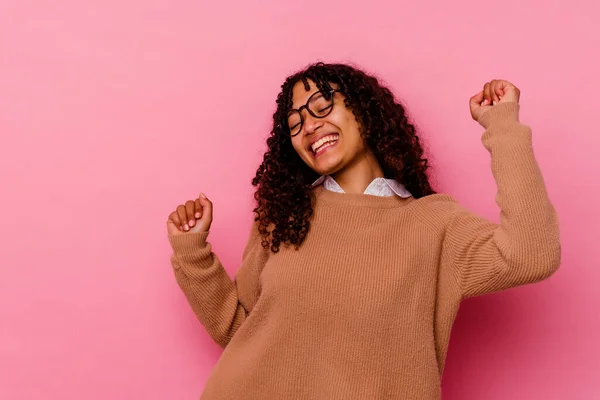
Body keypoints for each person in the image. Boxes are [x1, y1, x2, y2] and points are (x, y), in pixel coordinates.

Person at [165, 62, 561, 399]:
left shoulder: (434, 224)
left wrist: (503, 128)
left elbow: (531, 254)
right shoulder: (283, 217)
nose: (309, 127)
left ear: (365, 111)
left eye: (323, 105)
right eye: (295, 124)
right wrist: (193, 254)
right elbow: (243, 331)